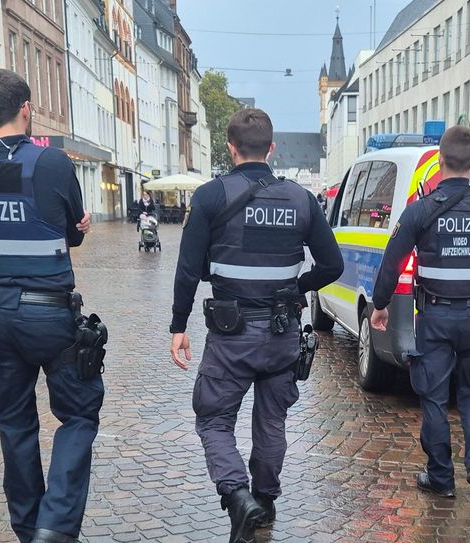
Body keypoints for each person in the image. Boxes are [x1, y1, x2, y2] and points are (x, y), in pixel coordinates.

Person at [169, 108, 344, 543]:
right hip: (282, 333)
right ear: (272, 148)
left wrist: (178, 325)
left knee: (213, 420)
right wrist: (296, 287)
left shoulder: (210, 196)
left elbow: (188, 269)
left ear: (230, 149)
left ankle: (237, 496)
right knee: (271, 422)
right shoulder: (301, 199)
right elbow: (332, 265)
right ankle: (263, 503)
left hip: (231, 336)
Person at [0, 69, 103, 543]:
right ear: (26, 108)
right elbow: (71, 232)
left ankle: (28, 526)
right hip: (49, 313)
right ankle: (54, 525)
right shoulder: (51, 162)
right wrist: (78, 228)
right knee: (79, 414)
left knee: (13, 423)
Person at [370, 126, 470, 498]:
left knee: (434, 396)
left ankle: (440, 477)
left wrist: (380, 305)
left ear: (439, 160)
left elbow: (392, 261)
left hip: (434, 318)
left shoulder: (421, 210)